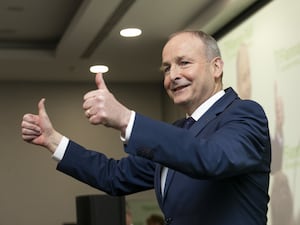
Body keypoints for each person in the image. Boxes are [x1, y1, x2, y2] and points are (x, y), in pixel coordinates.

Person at [21, 30, 271, 225]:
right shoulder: (180, 131)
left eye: (184, 63)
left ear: (216, 67)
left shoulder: (245, 113)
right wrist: (53, 140)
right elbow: (114, 176)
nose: (172, 75)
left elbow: (211, 158)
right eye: (167, 68)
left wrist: (126, 119)